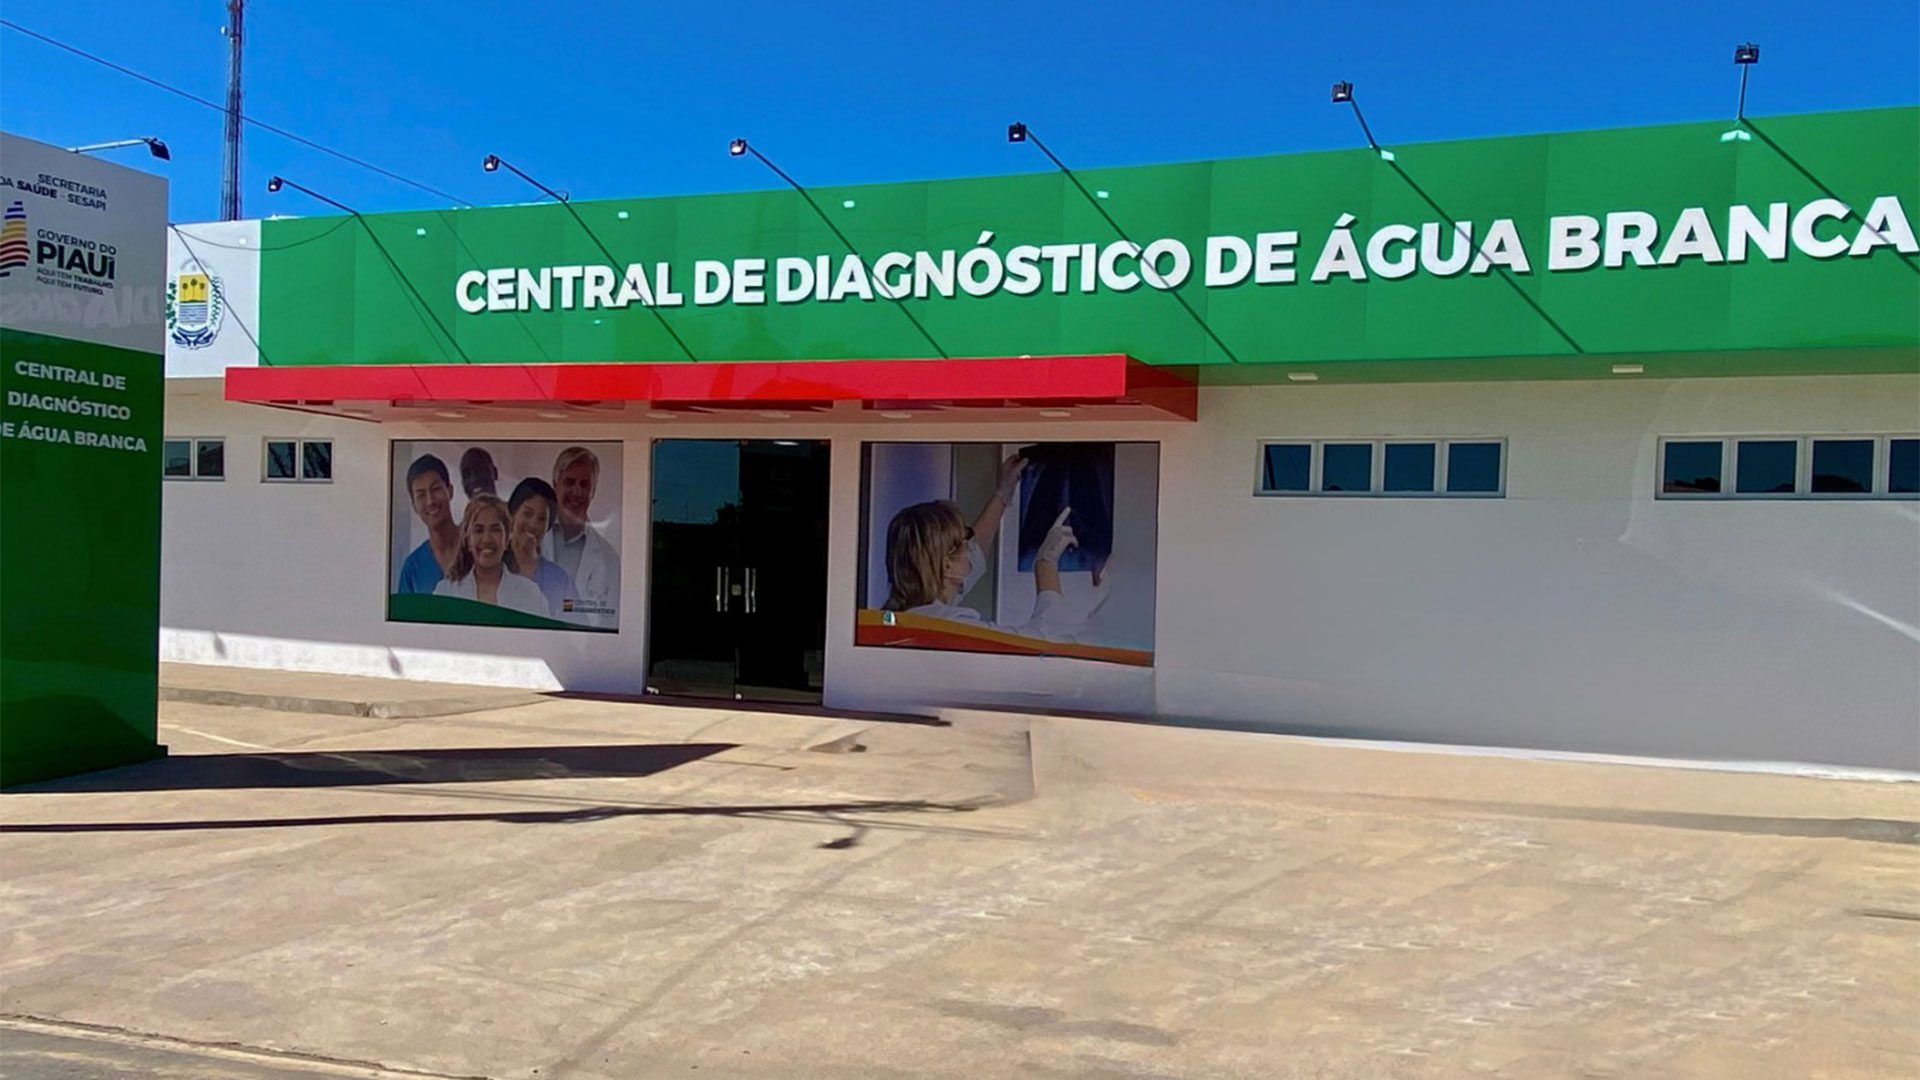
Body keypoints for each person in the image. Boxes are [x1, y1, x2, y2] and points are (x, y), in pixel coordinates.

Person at [881, 454, 1097, 639]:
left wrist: (1002, 496)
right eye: (964, 542)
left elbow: (975, 555)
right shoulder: (955, 627)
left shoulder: (899, 617)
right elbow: (1045, 640)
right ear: (947, 567)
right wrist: (1045, 563)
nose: (971, 547)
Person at [433, 494, 549, 617]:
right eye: (478, 530)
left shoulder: (531, 594)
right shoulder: (446, 593)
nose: (487, 539)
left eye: (495, 529)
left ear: (507, 540)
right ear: (467, 541)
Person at [542, 445, 619, 623]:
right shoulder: (532, 542)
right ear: (555, 485)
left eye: (584, 484)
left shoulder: (609, 559)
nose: (577, 492)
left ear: (593, 492)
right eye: (569, 482)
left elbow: (612, 623)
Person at [503, 477, 578, 619]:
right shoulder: (491, 568)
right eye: (527, 514)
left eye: (542, 519)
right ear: (512, 513)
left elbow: (575, 631)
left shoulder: (560, 580)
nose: (533, 524)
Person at [395, 454, 461, 594]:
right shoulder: (413, 568)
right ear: (414, 505)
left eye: (435, 489)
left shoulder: (477, 549)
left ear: (450, 491)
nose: (430, 501)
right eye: (421, 495)